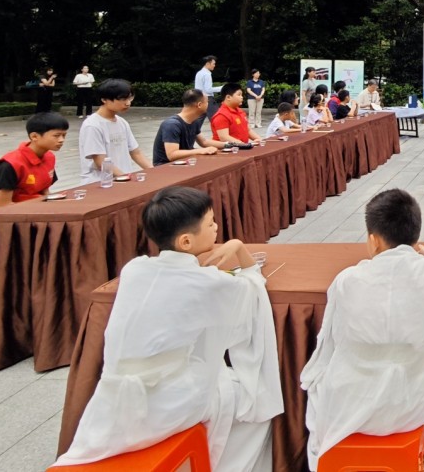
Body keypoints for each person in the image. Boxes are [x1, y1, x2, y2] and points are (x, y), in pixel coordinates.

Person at [54, 186, 283, 470]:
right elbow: (252, 287)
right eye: (211, 224)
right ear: (186, 241)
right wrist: (237, 245)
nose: (216, 229)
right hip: (166, 403)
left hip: (110, 401)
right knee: (252, 403)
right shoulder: (207, 283)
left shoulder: (135, 269)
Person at [301, 190, 424, 472]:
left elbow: (329, 347)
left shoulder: (346, 281)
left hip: (354, 404)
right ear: (415, 237)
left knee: (317, 383)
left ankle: (322, 459)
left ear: (373, 240)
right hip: (419, 402)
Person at [0, 113, 67, 212]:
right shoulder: (10, 165)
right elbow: (2, 206)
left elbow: (45, 191)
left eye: (64, 135)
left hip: (32, 208)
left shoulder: (50, 157)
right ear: (34, 136)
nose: (61, 140)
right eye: (56, 136)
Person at [78, 79, 154, 184]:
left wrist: (154, 172)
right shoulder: (92, 125)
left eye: (130, 98)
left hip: (123, 180)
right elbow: (101, 162)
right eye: (123, 99)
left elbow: (136, 153)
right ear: (104, 99)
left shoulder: (122, 122)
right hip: (99, 184)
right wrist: (127, 178)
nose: (128, 103)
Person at [152, 90, 227, 165]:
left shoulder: (194, 121)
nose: (208, 105)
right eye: (207, 102)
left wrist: (229, 144)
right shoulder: (172, 124)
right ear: (199, 105)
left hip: (185, 163)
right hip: (165, 167)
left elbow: (204, 142)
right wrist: (200, 151)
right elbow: (172, 155)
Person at [196, 55, 219, 120]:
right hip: (208, 99)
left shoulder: (199, 73)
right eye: (213, 64)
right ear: (207, 63)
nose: (214, 65)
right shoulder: (207, 74)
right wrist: (222, 88)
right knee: (217, 119)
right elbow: (208, 90)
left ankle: (192, 130)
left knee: (198, 120)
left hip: (199, 98)